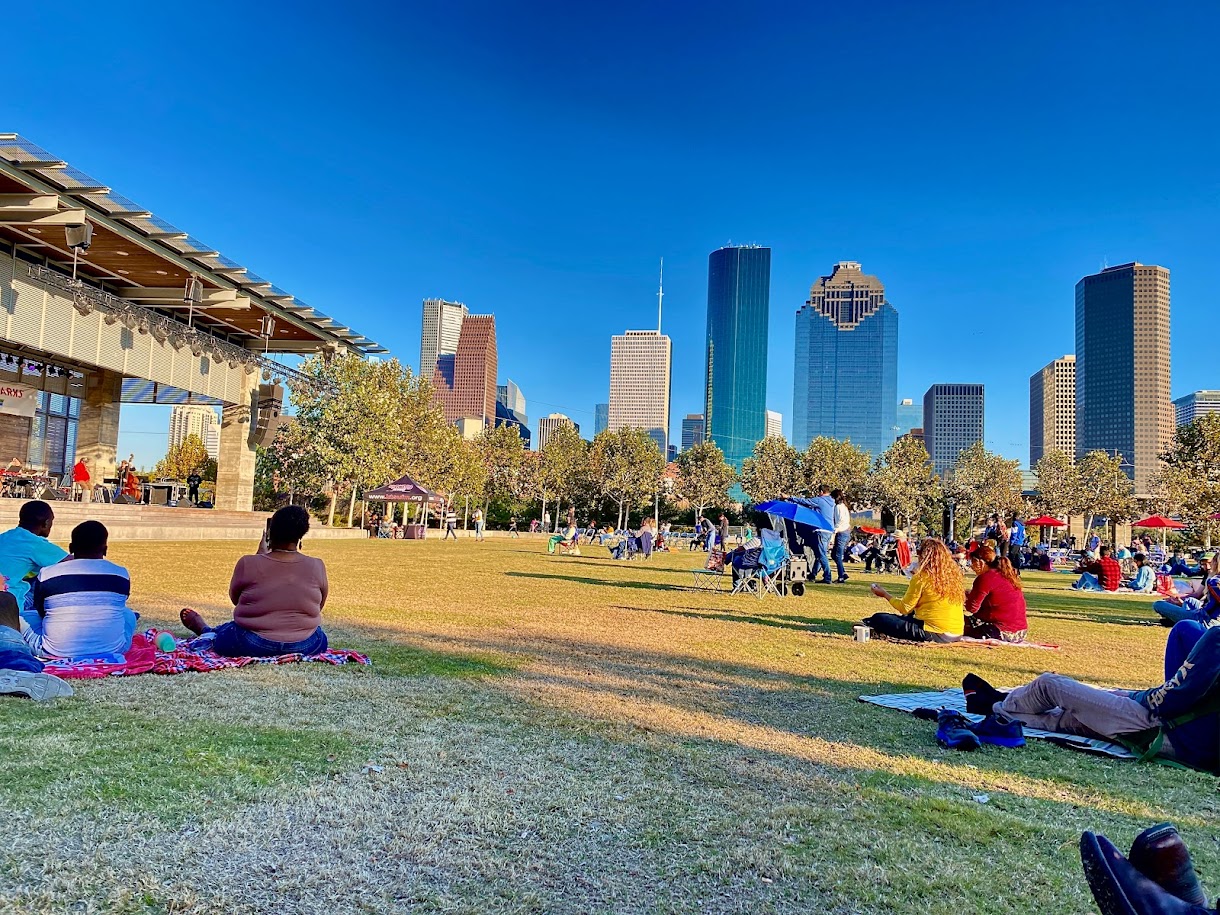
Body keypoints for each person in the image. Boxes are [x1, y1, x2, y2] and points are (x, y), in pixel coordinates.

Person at [962, 617, 1220, 774]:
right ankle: (1001, 706)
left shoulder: (1216, 639)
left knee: (1050, 685)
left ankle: (999, 704)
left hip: (1169, 732)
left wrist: (1134, 697)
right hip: (1196, 744)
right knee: (1069, 719)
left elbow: (1169, 701)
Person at [180, 506, 328, 658]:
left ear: (269, 532)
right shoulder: (317, 565)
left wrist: (259, 556)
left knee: (230, 631)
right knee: (319, 634)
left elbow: (236, 599)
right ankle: (210, 631)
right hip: (307, 644)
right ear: (300, 536)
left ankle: (206, 631)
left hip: (252, 643)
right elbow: (319, 605)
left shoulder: (248, 563)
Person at [22, 521, 138, 660]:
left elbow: (42, 612)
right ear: (105, 549)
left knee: (22, 617)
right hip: (114, 648)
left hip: (53, 651)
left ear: (71, 548)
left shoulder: (47, 574)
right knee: (128, 614)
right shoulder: (121, 574)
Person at [862, 538, 965, 642]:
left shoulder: (921, 577)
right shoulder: (954, 577)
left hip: (934, 633)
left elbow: (905, 608)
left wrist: (884, 594)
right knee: (903, 618)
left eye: (919, 552)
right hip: (956, 633)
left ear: (924, 556)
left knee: (879, 618)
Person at [0, 501, 69, 617]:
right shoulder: (34, 544)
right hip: (10, 601)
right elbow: (75, 562)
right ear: (46, 523)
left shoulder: (5, 536)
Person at [963, 544, 1028, 641]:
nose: (971, 567)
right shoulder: (1007, 574)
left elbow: (972, 608)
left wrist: (962, 596)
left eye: (973, 562)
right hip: (1020, 632)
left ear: (980, 562)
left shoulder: (985, 578)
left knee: (955, 622)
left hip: (1000, 631)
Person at [1152, 554, 1218, 626]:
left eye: (1210, 563)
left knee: (1158, 604)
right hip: (1206, 614)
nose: (1208, 566)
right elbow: (1198, 594)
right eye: (1204, 564)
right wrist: (1177, 597)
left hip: (1205, 619)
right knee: (1189, 601)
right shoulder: (1209, 577)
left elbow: (1209, 608)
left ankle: (1181, 620)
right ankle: (1180, 619)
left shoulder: (1214, 582)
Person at [810, 485, 835, 584]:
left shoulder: (820, 500)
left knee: (821, 554)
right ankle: (813, 574)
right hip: (829, 530)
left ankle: (828, 576)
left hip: (821, 529)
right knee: (820, 554)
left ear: (821, 492)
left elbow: (805, 502)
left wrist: (789, 498)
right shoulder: (832, 502)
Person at [830, 489, 851, 584]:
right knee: (834, 555)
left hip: (841, 532)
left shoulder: (838, 507)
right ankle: (843, 573)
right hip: (845, 531)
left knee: (837, 556)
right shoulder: (844, 506)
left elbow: (840, 521)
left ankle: (841, 577)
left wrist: (835, 530)